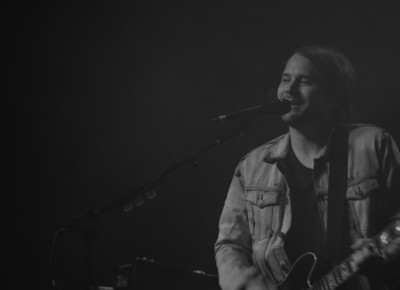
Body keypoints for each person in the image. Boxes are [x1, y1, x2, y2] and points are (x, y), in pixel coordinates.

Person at [214, 45, 400, 290]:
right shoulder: (252, 166)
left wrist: (383, 254)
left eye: (305, 81)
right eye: (285, 79)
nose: (288, 90)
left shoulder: (373, 145)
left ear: (334, 95)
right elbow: (230, 245)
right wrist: (249, 285)